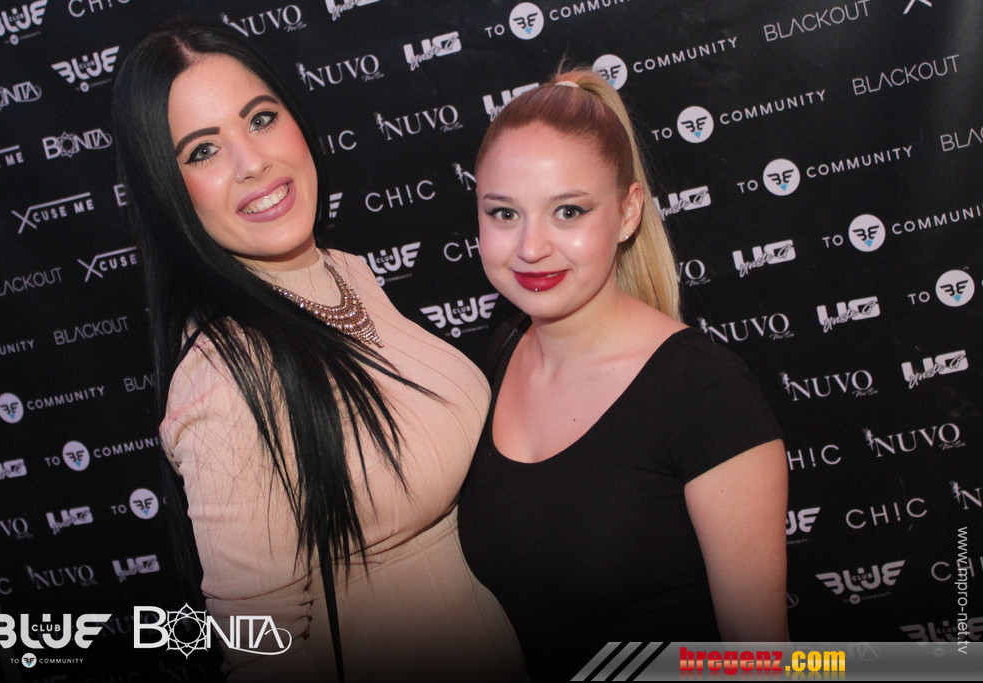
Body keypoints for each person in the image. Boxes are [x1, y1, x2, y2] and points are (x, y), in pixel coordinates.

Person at [111, 18, 524, 681]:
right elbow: (260, 656)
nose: (252, 162)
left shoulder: (344, 270)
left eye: (261, 118)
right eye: (203, 151)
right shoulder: (227, 378)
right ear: (167, 189)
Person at [457, 70, 789, 680]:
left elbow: (762, 660)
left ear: (628, 212)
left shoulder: (704, 392)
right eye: (503, 213)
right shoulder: (500, 354)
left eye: (568, 211)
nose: (530, 247)